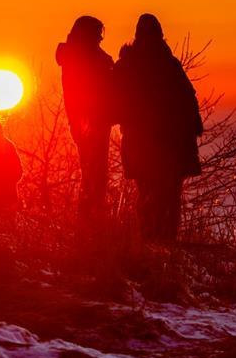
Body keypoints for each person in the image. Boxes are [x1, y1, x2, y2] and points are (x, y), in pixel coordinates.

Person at [111, 14, 203, 244]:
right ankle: (160, 243)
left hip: (148, 146)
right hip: (168, 147)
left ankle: (152, 243)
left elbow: (114, 103)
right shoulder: (168, 64)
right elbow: (188, 102)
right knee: (165, 198)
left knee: (153, 196)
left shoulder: (129, 64)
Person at [55, 16, 115, 230]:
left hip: (86, 121)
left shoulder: (77, 55)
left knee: (93, 174)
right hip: (91, 121)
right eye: (98, 32)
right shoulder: (83, 57)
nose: (100, 37)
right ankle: (91, 225)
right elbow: (95, 85)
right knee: (94, 175)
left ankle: (90, 223)